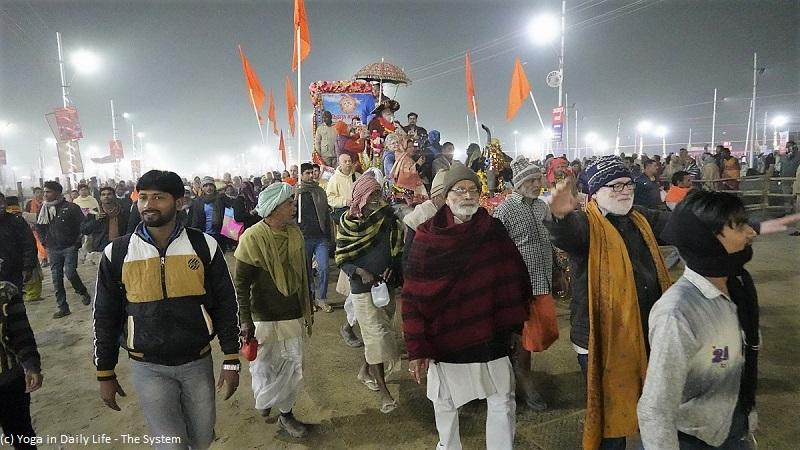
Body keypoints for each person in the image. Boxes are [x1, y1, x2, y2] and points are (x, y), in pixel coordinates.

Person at [93, 170, 241, 450]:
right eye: (144, 197)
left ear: (179, 201)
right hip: (147, 366)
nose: (149, 204)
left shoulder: (203, 246)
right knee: (170, 444)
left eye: (159, 198)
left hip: (196, 362)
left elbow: (225, 303)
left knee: (202, 438)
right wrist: (105, 372)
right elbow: (105, 315)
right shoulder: (119, 253)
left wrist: (231, 358)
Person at [545, 156, 673, 450]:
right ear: (595, 193)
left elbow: (680, 225)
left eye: (628, 184)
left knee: (652, 405)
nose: (625, 191)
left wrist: (732, 223)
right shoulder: (586, 223)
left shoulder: (640, 219)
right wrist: (559, 217)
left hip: (645, 330)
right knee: (609, 418)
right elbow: (567, 233)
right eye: (614, 186)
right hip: (597, 338)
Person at [402, 162, 530, 449]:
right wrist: (417, 349)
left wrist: (516, 327)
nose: (467, 196)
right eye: (460, 190)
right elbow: (413, 296)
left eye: (473, 190)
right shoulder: (427, 236)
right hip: (446, 339)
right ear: (446, 196)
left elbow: (513, 277)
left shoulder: (493, 229)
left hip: (490, 335)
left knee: (502, 400)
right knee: (445, 404)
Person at [638, 191, 762, 449]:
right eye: (739, 226)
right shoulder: (678, 313)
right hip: (696, 440)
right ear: (707, 240)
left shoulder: (739, 285)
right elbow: (656, 408)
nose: (751, 233)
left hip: (735, 426)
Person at [234, 182, 313, 437]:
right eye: (289, 203)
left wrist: (308, 304)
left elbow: (303, 275)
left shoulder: (295, 234)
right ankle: (268, 400)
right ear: (275, 207)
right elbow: (241, 284)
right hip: (263, 317)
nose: (294, 207)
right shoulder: (252, 237)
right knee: (264, 366)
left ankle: (286, 415)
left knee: (292, 366)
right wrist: (245, 320)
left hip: (291, 312)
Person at [335, 174, 403, 414]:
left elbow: (397, 249)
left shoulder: (388, 218)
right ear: (360, 197)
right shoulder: (347, 224)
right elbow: (342, 258)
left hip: (386, 287)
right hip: (362, 290)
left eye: (377, 194)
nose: (375, 199)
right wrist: (359, 271)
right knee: (376, 338)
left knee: (382, 334)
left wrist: (393, 267)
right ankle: (385, 394)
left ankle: (365, 371)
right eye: (370, 195)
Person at [492, 157, 552, 412]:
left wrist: (557, 272)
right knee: (520, 337)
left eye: (539, 178)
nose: (538, 183)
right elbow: (494, 250)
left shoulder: (542, 207)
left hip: (542, 282)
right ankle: (523, 383)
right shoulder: (505, 210)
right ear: (519, 183)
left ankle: (520, 377)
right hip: (516, 285)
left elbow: (550, 239)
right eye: (532, 179)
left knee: (537, 335)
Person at [0, 216, 43, 449]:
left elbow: (20, 333)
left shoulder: (5, 292)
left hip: (8, 381)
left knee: (21, 435)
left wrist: (31, 364)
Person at [36, 181, 92, 318]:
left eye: (48, 192)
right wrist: (45, 242)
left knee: (70, 272)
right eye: (44, 192)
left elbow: (82, 225)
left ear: (57, 193)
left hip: (69, 247)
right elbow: (40, 228)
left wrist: (76, 243)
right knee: (56, 278)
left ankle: (82, 291)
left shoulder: (71, 208)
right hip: (52, 248)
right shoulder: (43, 209)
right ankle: (63, 307)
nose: (45, 195)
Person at [296, 163, 333, 313]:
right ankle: (309, 299)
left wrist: (329, 236)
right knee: (306, 271)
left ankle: (322, 298)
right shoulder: (297, 193)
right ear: (301, 175)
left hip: (320, 237)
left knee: (324, 268)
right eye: (307, 173)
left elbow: (325, 214)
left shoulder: (320, 191)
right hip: (304, 236)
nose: (312, 175)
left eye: (313, 172)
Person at [80, 186, 131, 265]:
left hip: (120, 245)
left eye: (109, 194)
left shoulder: (123, 211)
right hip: (101, 247)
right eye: (103, 195)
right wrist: (95, 220)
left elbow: (129, 227)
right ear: (100, 197)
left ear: (114, 196)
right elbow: (85, 230)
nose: (106, 196)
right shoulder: (93, 212)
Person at [191, 176, 230, 250]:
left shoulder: (221, 199)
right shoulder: (198, 201)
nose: (208, 188)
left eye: (210, 185)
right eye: (205, 186)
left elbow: (230, 211)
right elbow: (195, 220)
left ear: (214, 187)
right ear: (202, 188)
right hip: (205, 235)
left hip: (220, 235)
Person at [326, 153, 359, 224]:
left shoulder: (357, 176)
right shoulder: (334, 179)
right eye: (345, 161)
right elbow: (330, 198)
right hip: (343, 213)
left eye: (349, 161)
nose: (348, 163)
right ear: (339, 163)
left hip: (358, 212)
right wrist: (345, 202)